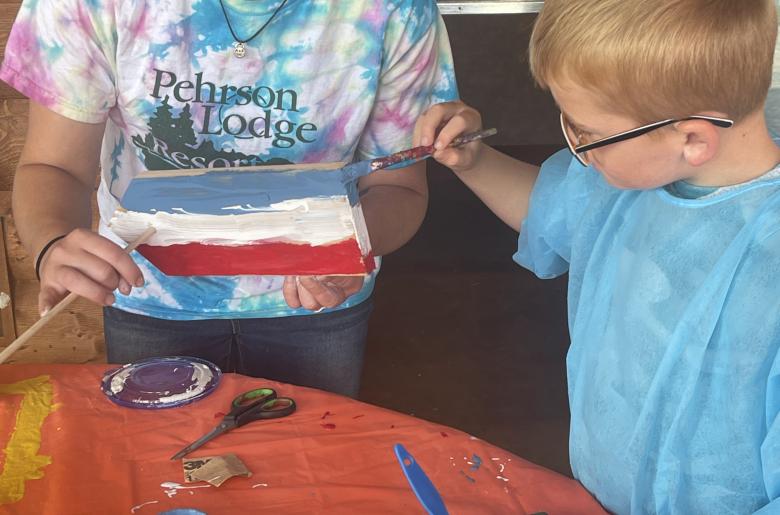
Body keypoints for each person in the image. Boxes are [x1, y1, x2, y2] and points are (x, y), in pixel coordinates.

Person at [415, 0, 780, 512]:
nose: (575, 149)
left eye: (587, 134)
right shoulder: (623, 184)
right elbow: (556, 212)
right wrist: (474, 163)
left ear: (693, 138)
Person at [1, 0, 458, 397]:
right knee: (161, 474)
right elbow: (54, 167)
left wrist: (354, 243)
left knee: (300, 477)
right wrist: (52, 241)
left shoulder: (396, 9)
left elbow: (397, 187)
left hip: (317, 303)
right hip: (149, 292)